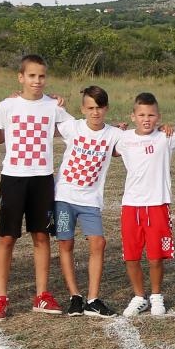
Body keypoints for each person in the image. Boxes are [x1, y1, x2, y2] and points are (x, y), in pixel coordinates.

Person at [0, 54, 74, 321]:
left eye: (42, 76)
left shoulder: (54, 106)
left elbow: (77, 129)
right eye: (32, 76)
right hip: (13, 177)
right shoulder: (7, 105)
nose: (37, 81)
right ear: (21, 77)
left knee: (41, 236)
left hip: (42, 178)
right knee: (7, 237)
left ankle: (42, 294)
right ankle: (0, 297)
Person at [53, 85, 122, 317]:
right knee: (65, 243)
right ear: (83, 108)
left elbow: (136, 142)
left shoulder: (114, 134)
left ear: (106, 108)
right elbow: (43, 114)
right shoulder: (72, 127)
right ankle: (75, 296)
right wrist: (51, 99)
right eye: (90, 107)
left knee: (98, 243)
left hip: (90, 200)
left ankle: (93, 298)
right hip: (63, 197)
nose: (95, 112)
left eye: (100, 107)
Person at [115, 93, 175, 318]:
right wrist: (118, 129)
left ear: (158, 117)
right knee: (131, 256)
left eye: (151, 115)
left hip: (157, 204)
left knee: (155, 256)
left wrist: (169, 127)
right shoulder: (123, 138)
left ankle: (156, 295)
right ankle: (138, 296)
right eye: (141, 114)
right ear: (133, 116)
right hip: (131, 205)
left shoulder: (166, 138)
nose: (146, 119)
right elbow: (109, 146)